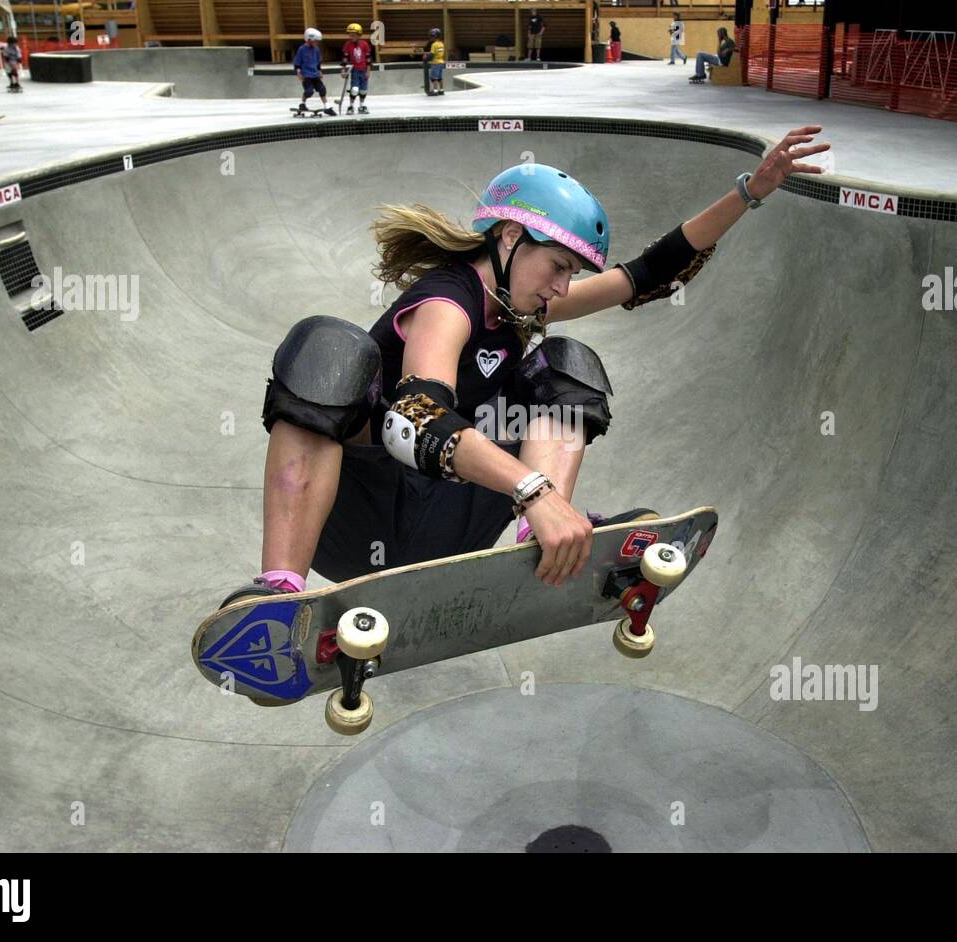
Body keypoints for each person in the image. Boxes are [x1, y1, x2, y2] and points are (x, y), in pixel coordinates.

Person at [217, 127, 831, 704]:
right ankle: (279, 594)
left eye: (571, 273)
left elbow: (644, 275)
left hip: (449, 524)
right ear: (510, 239)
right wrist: (531, 487)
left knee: (567, 363)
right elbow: (415, 415)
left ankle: (541, 542)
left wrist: (749, 193)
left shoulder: (519, 310)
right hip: (360, 518)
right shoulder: (446, 301)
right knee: (329, 348)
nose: (564, 288)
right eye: (558, 267)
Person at [292, 28, 337, 115]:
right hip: (306, 75)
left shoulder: (316, 49)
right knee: (309, 91)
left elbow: (318, 62)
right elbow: (297, 62)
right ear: (309, 39)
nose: (317, 43)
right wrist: (298, 72)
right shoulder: (302, 49)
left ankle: (327, 106)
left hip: (315, 74)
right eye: (315, 41)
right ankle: (302, 104)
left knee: (322, 89)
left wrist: (319, 71)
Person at [341, 22, 372, 114]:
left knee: (363, 90)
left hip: (364, 70)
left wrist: (368, 71)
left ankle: (362, 106)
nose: (351, 37)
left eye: (353, 35)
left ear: (359, 35)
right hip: (355, 70)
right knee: (354, 89)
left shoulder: (364, 44)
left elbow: (368, 59)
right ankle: (351, 106)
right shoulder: (347, 45)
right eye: (350, 35)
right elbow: (345, 58)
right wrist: (343, 70)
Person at [424, 27, 445, 95]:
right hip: (441, 62)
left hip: (435, 63)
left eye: (431, 36)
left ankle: (435, 91)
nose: (430, 38)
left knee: (434, 78)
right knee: (439, 78)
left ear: (434, 36)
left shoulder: (434, 44)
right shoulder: (441, 44)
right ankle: (441, 90)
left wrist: (426, 57)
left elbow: (432, 55)